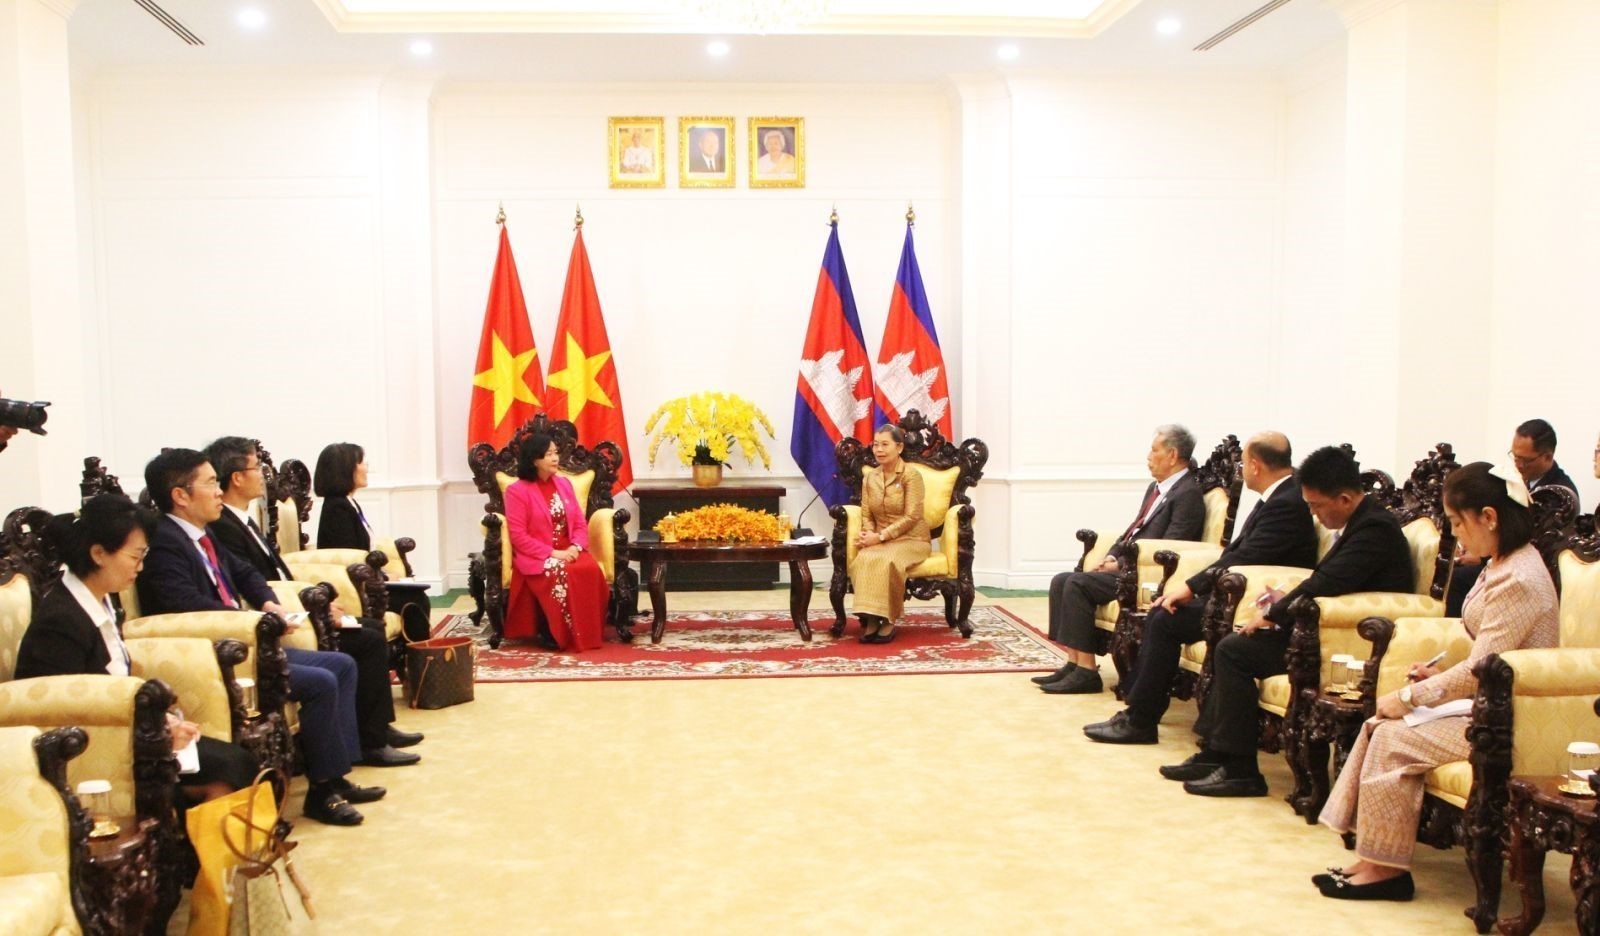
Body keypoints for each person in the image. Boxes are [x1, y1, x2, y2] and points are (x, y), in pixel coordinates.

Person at [1315, 462, 1558, 901]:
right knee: (1379, 727)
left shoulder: (1519, 577)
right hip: (1490, 703)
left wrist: (1412, 696)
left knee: (1393, 738)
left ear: (1489, 517)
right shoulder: (1502, 562)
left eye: (1458, 523)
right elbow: (1490, 652)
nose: (1456, 535)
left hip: (1512, 719)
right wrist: (1436, 677)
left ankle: (1386, 871)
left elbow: (1483, 666)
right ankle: (1373, 859)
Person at [135, 449, 400, 827]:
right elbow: (185, 605)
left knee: (342, 665)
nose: (219, 491)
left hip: (246, 640)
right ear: (180, 495)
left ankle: (336, 778)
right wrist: (252, 620)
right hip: (215, 654)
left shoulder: (202, 532)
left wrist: (269, 603)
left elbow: (245, 572)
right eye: (210, 484)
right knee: (321, 681)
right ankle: (322, 793)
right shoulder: (165, 542)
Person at [1164, 446, 1414, 796]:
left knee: (1235, 651)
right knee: (1231, 645)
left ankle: (1241, 770)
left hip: (1349, 646)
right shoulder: (1361, 520)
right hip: (1323, 630)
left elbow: (1326, 583)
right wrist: (1278, 602)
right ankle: (1217, 754)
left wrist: (1272, 615)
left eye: (1316, 506)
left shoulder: (1375, 529)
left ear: (1344, 499)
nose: (1313, 514)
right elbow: (1325, 580)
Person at [16, 494, 257, 804]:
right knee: (229, 770)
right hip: (91, 748)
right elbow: (67, 711)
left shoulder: (101, 599)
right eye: (136, 556)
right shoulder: (61, 622)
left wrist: (162, 722)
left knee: (238, 761)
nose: (141, 567)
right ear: (99, 554)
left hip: (126, 730)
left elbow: (116, 679)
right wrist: (155, 733)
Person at [1085, 431, 1318, 744]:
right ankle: (1137, 713)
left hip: (1253, 601)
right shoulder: (1280, 496)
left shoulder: (1286, 504)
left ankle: (1140, 719)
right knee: (1163, 613)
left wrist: (1191, 588)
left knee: (1166, 618)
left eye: (1243, 464)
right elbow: (1236, 553)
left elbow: (1247, 556)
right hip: (1237, 594)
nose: (1241, 470)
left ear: (1255, 465)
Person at [204, 436, 423, 758]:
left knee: (371, 630)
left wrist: (316, 604)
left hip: (289, 606)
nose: (264, 475)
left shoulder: (242, 520)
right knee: (367, 638)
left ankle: (377, 728)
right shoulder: (223, 527)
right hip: (273, 621)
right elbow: (252, 583)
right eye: (257, 468)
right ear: (237, 477)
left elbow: (271, 575)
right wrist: (309, 610)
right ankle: (372, 740)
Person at [1037, 425, 1206, 694]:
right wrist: (1111, 555)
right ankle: (1073, 663)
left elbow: (1172, 546)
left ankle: (1087, 672)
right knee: (1061, 581)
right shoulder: (1157, 488)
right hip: (1129, 566)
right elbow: (1134, 530)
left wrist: (1123, 564)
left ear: (1173, 455)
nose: (1148, 456)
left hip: (1149, 575)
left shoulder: (1188, 494)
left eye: (1154, 450)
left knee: (1078, 584)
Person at [1447, 418, 1580, 615]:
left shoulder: (1558, 495)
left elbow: (1529, 539)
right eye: (1515, 457)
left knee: (1458, 579)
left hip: (1527, 569)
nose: (1518, 465)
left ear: (1547, 456)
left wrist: (1483, 554)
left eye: (1526, 460)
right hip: (1503, 557)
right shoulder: (1520, 481)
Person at [503, 431, 609, 651]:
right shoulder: (517, 491)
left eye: (555, 453)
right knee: (562, 570)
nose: (555, 458)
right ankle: (556, 633)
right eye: (548, 454)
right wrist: (553, 553)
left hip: (569, 549)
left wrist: (576, 546)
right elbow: (518, 536)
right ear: (535, 460)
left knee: (589, 568)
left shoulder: (564, 485)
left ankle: (588, 633)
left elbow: (579, 523)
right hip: (538, 555)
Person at [849, 425, 931, 644]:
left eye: (885, 444)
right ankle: (871, 617)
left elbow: (912, 516)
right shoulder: (870, 477)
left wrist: (881, 537)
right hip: (880, 538)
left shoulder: (911, 476)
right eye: (876, 445)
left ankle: (888, 619)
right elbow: (866, 513)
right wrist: (869, 534)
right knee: (864, 558)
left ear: (899, 447)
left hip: (912, 539)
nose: (879, 450)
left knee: (888, 560)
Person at [314, 442, 373, 550]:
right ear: (346, 469)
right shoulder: (338, 508)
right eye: (361, 463)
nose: (366, 469)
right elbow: (347, 553)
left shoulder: (349, 502)